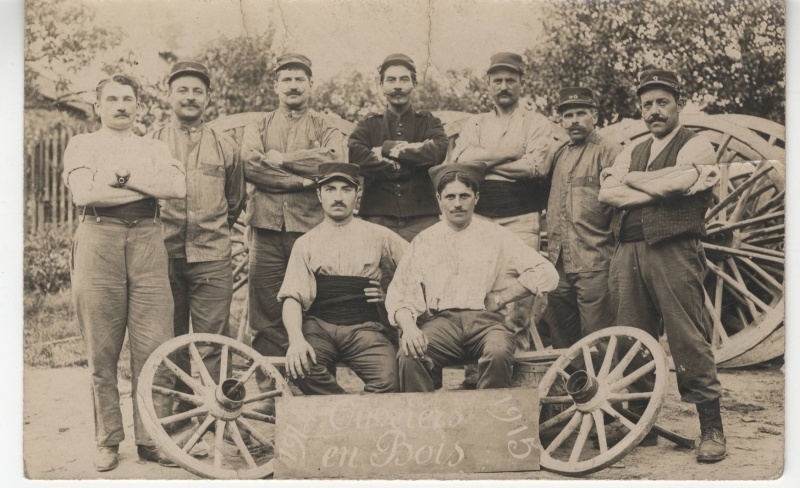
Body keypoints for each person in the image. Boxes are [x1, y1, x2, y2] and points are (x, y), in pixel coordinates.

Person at [598, 69, 725, 462]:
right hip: (627, 252)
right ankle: (641, 424)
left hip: (673, 250)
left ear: (679, 104)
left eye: (661, 103)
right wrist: (659, 181)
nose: (654, 111)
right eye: (647, 105)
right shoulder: (631, 150)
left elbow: (676, 187)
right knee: (631, 338)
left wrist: (635, 182)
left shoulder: (697, 145)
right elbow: (608, 193)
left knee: (688, 336)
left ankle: (712, 428)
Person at [63, 74, 186, 471]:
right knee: (102, 348)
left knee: (154, 345)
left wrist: (124, 179)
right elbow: (85, 193)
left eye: (128, 99)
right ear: (98, 106)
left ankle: (153, 439)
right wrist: (147, 187)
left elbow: (177, 189)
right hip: (98, 238)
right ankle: (108, 440)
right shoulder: (83, 144)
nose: (120, 105)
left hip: (149, 239)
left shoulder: (153, 147)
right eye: (111, 99)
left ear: (138, 105)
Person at [386, 163, 559, 392]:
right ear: (439, 199)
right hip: (441, 324)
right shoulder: (425, 240)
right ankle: (426, 422)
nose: (457, 203)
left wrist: (501, 298)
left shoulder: (496, 235)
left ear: (476, 198)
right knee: (410, 354)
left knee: (498, 350)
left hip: (485, 323)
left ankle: (489, 420)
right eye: (450, 197)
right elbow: (400, 293)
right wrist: (409, 329)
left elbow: (547, 273)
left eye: (464, 196)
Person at [240, 53, 346, 383]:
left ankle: (317, 386)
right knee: (266, 312)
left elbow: (332, 162)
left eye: (300, 79)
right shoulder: (258, 123)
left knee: (318, 307)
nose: (293, 85)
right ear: (276, 86)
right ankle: (270, 391)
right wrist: (301, 181)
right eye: (286, 79)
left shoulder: (325, 124)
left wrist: (283, 159)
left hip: (312, 230)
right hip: (266, 229)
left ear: (311, 84)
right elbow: (251, 165)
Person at [150, 61, 245, 420]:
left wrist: (212, 230)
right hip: (162, 255)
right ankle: (174, 414)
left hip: (212, 257)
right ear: (169, 94)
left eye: (197, 91)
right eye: (183, 90)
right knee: (168, 340)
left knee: (211, 343)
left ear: (208, 97)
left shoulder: (225, 145)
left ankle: (211, 415)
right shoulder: (153, 143)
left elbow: (235, 201)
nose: (190, 97)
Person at [451, 52, 556, 353]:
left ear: (522, 84)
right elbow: (460, 161)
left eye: (511, 80)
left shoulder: (537, 122)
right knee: (478, 285)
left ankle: (518, 364)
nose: (504, 86)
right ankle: (480, 364)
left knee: (521, 292)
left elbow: (536, 167)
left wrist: (484, 164)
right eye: (497, 80)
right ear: (488, 85)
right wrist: (511, 153)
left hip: (522, 216)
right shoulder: (476, 123)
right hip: (481, 218)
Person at [278, 163, 407, 394]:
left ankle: (344, 416)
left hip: (364, 328)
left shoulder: (379, 235)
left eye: (346, 189)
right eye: (330, 189)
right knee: (301, 367)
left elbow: (418, 268)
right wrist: (296, 339)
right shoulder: (306, 242)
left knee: (389, 380)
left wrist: (390, 297)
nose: (338, 197)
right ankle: (346, 413)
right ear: (319, 195)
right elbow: (292, 298)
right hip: (320, 327)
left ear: (357, 194)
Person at [544, 87, 619, 349]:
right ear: (561, 121)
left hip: (595, 261)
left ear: (594, 115)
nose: (574, 120)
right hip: (558, 262)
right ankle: (571, 388)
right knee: (563, 341)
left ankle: (601, 389)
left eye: (581, 113)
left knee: (597, 341)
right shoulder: (558, 154)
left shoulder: (609, 151)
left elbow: (620, 206)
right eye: (568, 115)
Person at [348, 53, 449, 242]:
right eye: (391, 80)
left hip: (422, 218)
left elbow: (438, 151)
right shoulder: (369, 124)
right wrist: (413, 157)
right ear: (381, 85)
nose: (397, 86)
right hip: (377, 218)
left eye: (404, 79)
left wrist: (386, 149)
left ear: (414, 84)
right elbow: (356, 155)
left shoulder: (428, 121)